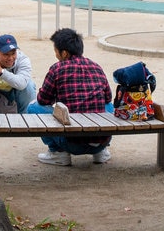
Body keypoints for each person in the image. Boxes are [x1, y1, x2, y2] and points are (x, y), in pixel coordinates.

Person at [26, 28, 113, 166]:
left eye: (56, 51)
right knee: (108, 105)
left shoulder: (57, 69)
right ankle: (100, 152)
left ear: (64, 53)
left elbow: (43, 100)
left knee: (32, 108)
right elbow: (108, 98)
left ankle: (58, 153)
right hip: (101, 141)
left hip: (71, 143)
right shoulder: (97, 67)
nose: (56, 55)